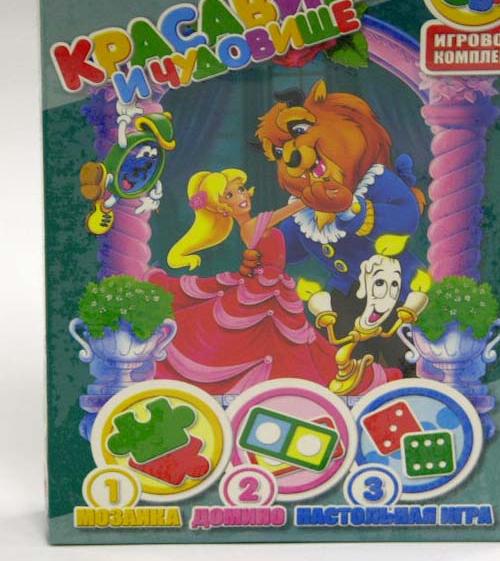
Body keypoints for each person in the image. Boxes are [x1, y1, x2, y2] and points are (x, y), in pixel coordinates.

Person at [149, 168, 396, 395]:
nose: (240, 196)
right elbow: (286, 213)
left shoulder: (255, 223)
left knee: (295, 342)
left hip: (275, 288)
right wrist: (311, 196)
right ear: (224, 208)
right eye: (229, 195)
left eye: (240, 189)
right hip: (264, 290)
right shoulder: (251, 226)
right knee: (275, 343)